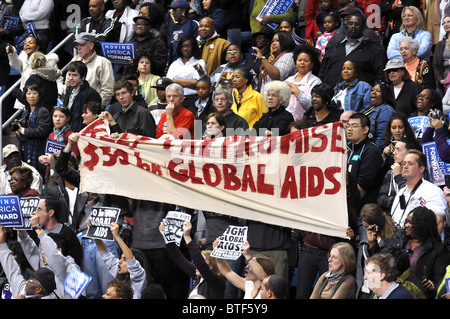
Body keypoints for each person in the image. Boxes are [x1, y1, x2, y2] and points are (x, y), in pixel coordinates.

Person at [384, 206, 450, 298]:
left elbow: (440, 283)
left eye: (411, 223)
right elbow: (382, 262)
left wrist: (431, 288)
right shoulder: (398, 239)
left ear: (422, 225)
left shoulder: (438, 250)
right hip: (392, 292)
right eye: (406, 221)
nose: (406, 225)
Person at [159, 220, 226, 299]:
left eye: (202, 260)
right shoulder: (199, 277)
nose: (196, 264)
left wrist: (187, 236)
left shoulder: (217, 281)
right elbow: (179, 258)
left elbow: (200, 264)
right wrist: (167, 236)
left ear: (211, 266)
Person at [319, 9, 386, 87]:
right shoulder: (335, 42)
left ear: (363, 27)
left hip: (358, 96)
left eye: (357, 24)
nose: (353, 27)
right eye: (350, 24)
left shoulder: (372, 48)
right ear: (346, 26)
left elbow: (379, 74)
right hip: (330, 92)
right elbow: (323, 69)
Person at [389, 149, 447, 235]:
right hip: (400, 244)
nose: (405, 166)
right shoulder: (401, 192)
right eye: (404, 163)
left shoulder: (433, 191)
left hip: (423, 245)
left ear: (421, 169)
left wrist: (428, 248)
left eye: (410, 163)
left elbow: (438, 223)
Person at [91, 221, 148, 299]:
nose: (119, 261)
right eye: (121, 258)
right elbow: (106, 255)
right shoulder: (119, 272)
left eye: (125, 260)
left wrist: (116, 236)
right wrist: (94, 233)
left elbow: (132, 261)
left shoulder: (139, 279)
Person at [0, 226, 57, 299]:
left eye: (31, 280)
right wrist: (2, 244)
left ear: (38, 289)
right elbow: (13, 271)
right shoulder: (23, 291)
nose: (26, 282)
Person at [354, 203, 398, 298]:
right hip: (364, 287)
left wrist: (373, 244)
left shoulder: (392, 238)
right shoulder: (364, 232)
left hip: (379, 288)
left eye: (367, 226)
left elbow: (380, 264)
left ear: (375, 225)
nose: (365, 229)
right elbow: (361, 263)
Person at [6, 35, 59, 110]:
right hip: (25, 99)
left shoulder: (48, 61)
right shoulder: (23, 59)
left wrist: (59, 93)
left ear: (37, 47)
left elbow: (58, 79)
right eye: (25, 43)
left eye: (31, 42)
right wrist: (12, 53)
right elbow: (15, 63)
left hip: (42, 102)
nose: (27, 44)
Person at [28, 196, 82, 267]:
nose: (34, 213)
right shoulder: (34, 232)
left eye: (39, 209)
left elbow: (74, 265)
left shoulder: (68, 234)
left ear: (50, 213)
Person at [12, 84, 53, 178]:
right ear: (25, 96)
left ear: (39, 95)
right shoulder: (26, 111)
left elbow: (41, 131)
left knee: (39, 178)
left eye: (34, 93)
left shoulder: (43, 111)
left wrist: (22, 130)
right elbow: (22, 136)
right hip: (27, 150)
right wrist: (18, 131)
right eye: (29, 93)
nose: (31, 96)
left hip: (39, 151)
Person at [346, 113, 384, 207]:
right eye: (348, 126)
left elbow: (362, 188)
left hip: (362, 209)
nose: (349, 129)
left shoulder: (371, 151)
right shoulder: (345, 149)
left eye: (354, 126)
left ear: (365, 129)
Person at [37, 105, 79, 189]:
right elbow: (48, 153)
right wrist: (44, 158)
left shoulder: (71, 135)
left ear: (68, 118)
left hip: (65, 177)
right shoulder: (51, 135)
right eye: (55, 116)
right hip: (51, 174)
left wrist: (53, 159)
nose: (57, 119)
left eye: (61, 116)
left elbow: (74, 157)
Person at [71, 32, 115, 108]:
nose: (79, 48)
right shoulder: (75, 59)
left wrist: (96, 108)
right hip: (74, 106)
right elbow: (67, 84)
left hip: (92, 110)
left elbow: (108, 90)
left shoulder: (103, 62)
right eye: (77, 45)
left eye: (82, 45)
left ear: (91, 46)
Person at [377, 138, 420, 212]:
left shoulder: (417, 173)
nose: (394, 153)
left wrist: (398, 176)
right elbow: (380, 199)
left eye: (398, 150)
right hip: (392, 216)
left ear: (409, 153)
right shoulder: (391, 172)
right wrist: (397, 200)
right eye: (394, 150)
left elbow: (411, 199)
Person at [166, 34, 206, 107]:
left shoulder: (199, 63)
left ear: (193, 47)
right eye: (183, 46)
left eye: (188, 46)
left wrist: (175, 81)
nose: (185, 49)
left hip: (193, 98)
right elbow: (169, 83)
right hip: (176, 100)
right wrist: (189, 83)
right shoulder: (174, 64)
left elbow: (196, 82)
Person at [284, 44, 322, 121]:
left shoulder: (315, 82)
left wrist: (297, 92)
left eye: (306, 61)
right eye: (299, 60)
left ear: (312, 64)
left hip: (304, 124)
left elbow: (313, 105)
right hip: (284, 122)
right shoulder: (288, 80)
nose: (302, 63)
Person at [62, 61, 102, 132]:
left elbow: (94, 119)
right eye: (69, 74)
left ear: (83, 77)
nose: (70, 78)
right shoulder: (69, 89)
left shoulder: (92, 94)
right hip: (66, 130)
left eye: (74, 75)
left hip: (82, 133)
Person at [162, 0, 199, 66]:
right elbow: (171, 48)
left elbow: (198, 46)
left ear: (183, 11)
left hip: (190, 63)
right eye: (172, 10)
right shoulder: (174, 27)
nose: (173, 13)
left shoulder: (193, 24)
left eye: (175, 10)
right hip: (175, 64)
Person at [363, 82, 396, 148]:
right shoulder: (369, 109)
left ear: (384, 94)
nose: (373, 92)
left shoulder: (386, 110)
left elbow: (382, 137)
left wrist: (374, 152)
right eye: (372, 90)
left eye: (378, 91)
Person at [433, 15, 450, 93]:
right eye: (443, 23)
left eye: (448, 22)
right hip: (443, 82)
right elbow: (435, 65)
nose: (445, 24)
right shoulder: (440, 44)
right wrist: (440, 80)